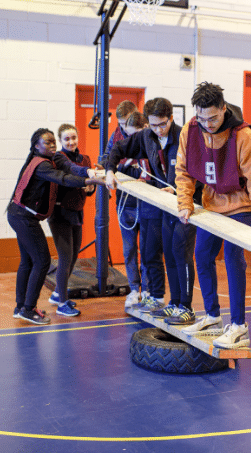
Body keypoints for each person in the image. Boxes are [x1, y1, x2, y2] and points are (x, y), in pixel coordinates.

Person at [175, 82, 251, 348]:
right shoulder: (191, 129)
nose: (207, 124)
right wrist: (184, 201)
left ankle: (239, 326)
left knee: (232, 259)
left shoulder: (242, 136)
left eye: (213, 118)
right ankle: (212, 316)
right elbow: (183, 170)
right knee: (202, 255)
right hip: (210, 204)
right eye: (202, 117)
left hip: (240, 206)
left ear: (223, 109)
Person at [106, 98, 200, 324]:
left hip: (187, 205)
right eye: (154, 125)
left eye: (163, 124)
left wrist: (178, 190)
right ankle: (174, 303)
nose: (158, 130)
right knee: (168, 253)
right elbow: (118, 147)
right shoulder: (147, 136)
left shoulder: (186, 136)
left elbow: (198, 174)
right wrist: (110, 170)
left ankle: (185, 306)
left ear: (172, 118)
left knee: (182, 255)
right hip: (165, 206)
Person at [7, 128, 104, 325]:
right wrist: (89, 179)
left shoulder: (54, 158)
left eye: (53, 142)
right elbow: (63, 178)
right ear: (36, 146)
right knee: (42, 261)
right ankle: (28, 309)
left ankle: (20, 306)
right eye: (48, 143)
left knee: (27, 262)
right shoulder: (42, 165)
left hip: (23, 216)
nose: (52, 145)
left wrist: (89, 172)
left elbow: (70, 168)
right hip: (22, 217)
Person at [101, 101, 150, 309]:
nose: (124, 128)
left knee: (149, 250)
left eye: (127, 123)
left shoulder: (148, 137)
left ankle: (148, 290)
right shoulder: (117, 136)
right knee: (129, 249)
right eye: (121, 124)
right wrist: (125, 166)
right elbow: (105, 159)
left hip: (147, 201)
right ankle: (134, 289)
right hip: (125, 201)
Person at [47, 123, 97, 317]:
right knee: (65, 258)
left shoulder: (85, 158)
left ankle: (58, 293)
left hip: (77, 211)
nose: (71, 141)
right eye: (67, 139)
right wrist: (88, 175)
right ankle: (62, 303)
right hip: (60, 213)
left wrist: (91, 188)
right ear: (61, 141)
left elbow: (88, 186)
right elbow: (73, 170)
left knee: (74, 256)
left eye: (73, 138)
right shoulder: (60, 157)